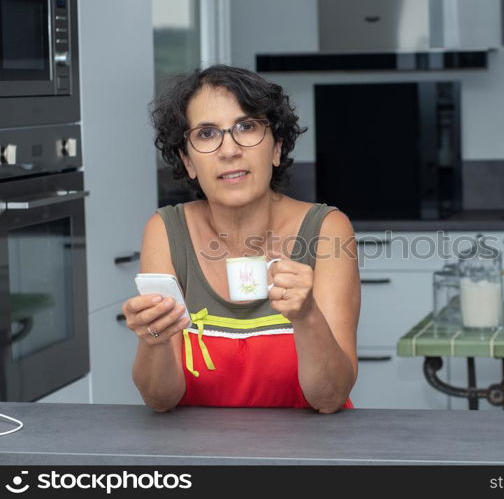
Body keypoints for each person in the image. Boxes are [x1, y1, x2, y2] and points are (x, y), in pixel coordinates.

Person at [121, 65, 359, 413]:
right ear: (187, 160)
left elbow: (329, 398)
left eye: (246, 127)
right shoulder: (164, 231)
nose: (229, 149)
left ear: (276, 147)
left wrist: (307, 315)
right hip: (199, 454)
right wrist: (154, 338)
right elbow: (160, 399)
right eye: (206, 133)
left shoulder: (327, 229)